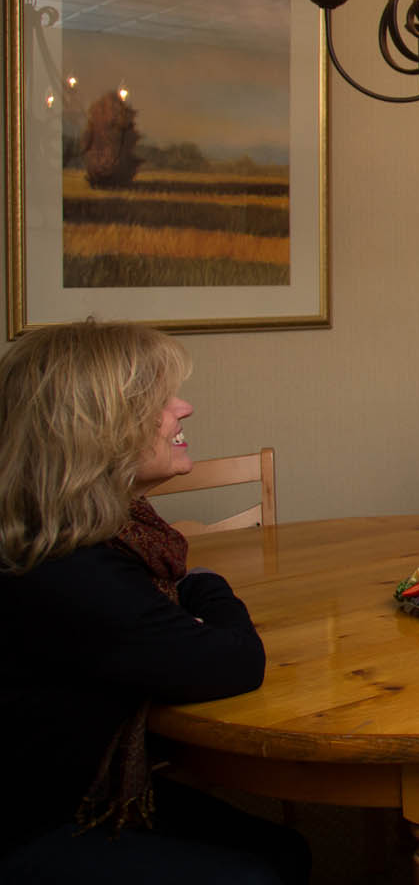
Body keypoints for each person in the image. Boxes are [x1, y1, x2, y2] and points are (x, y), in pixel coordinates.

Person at [0, 320, 310, 884]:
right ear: (97, 428)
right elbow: (236, 661)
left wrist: (190, 604)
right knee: (269, 869)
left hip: (70, 786)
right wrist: (211, 587)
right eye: (159, 399)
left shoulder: (80, 537)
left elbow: (169, 620)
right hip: (40, 823)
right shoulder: (73, 573)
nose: (183, 408)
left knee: (286, 850)